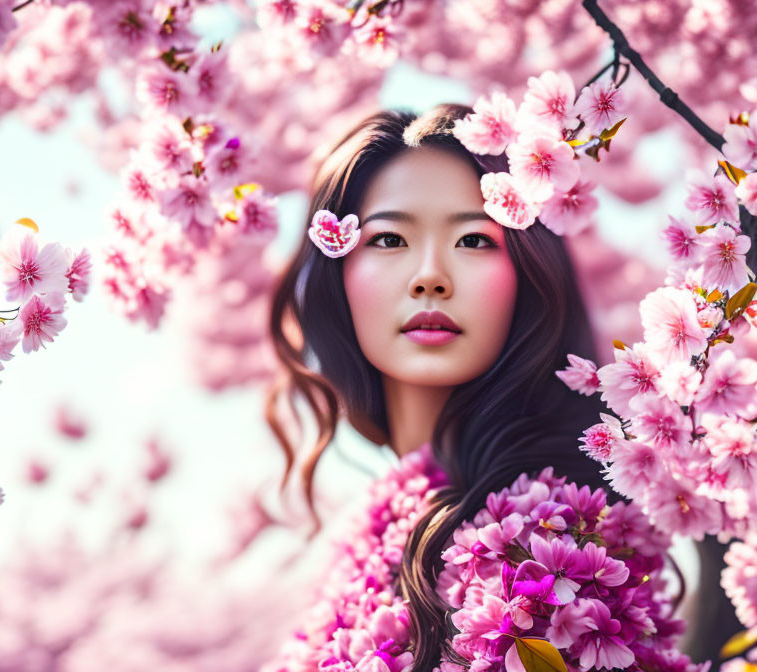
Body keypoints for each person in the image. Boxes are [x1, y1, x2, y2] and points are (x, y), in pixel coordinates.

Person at [263, 103, 702, 671]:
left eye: (473, 240)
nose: (430, 275)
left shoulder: (541, 547)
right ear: (336, 276)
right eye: (389, 239)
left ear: (529, 271)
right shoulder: (379, 522)